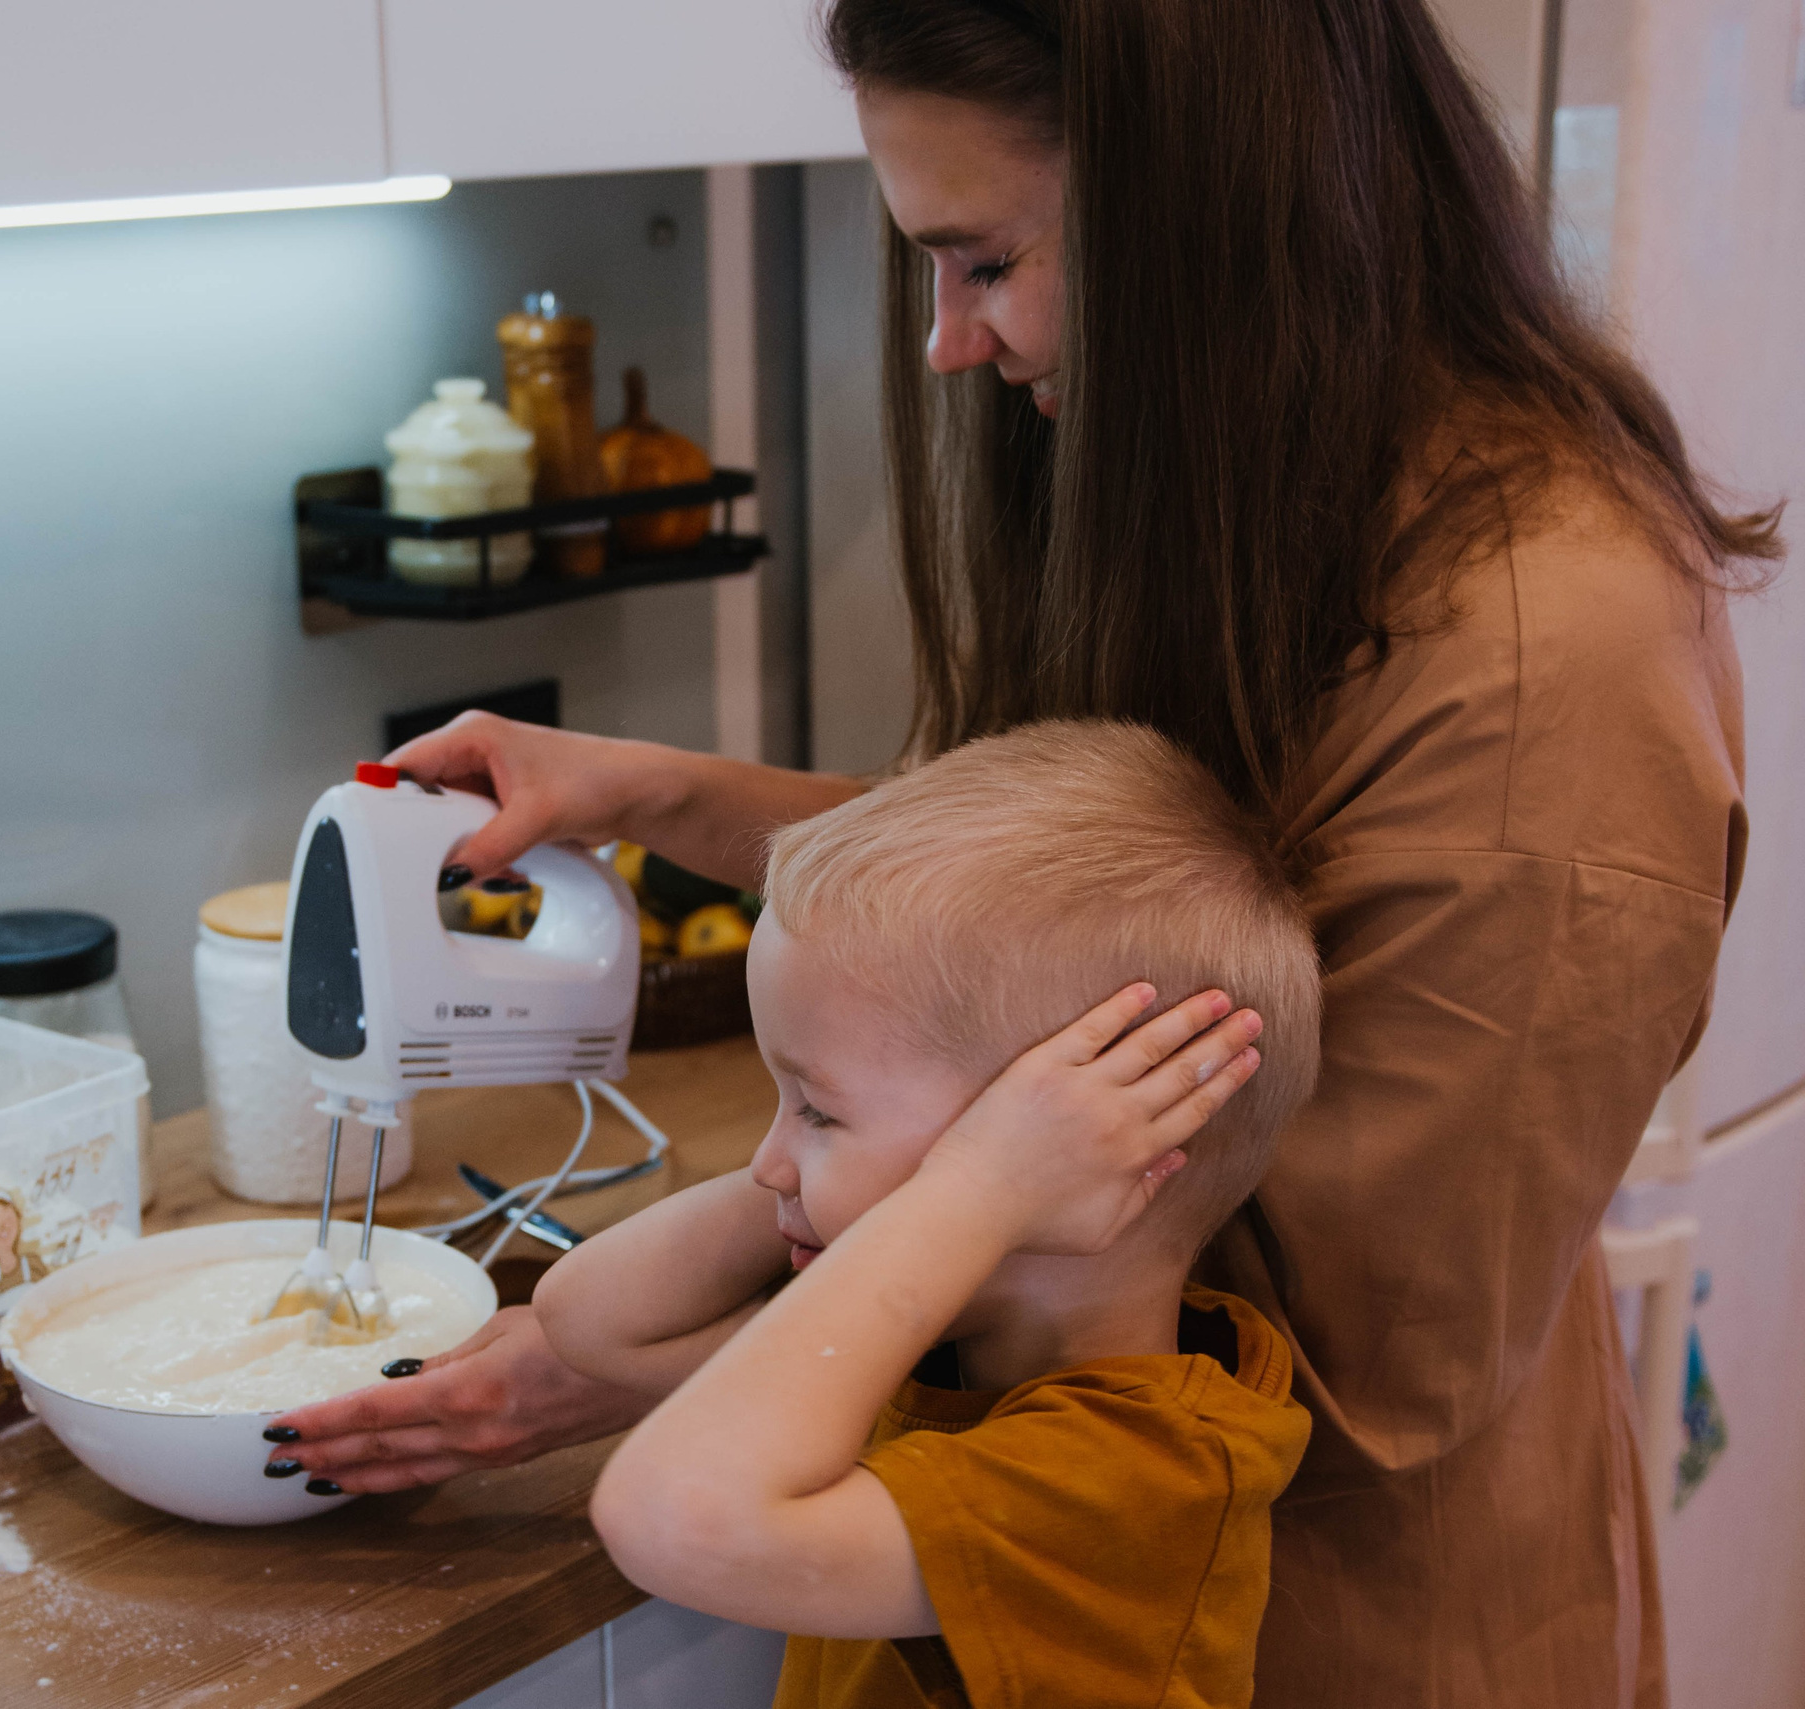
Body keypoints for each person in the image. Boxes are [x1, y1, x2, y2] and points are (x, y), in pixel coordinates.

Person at [268, 2, 1777, 1700]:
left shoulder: (1546, 648)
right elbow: (1053, 927)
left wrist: (690, 1350)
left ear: (1212, 206)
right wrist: (667, 795)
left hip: (1345, 1622)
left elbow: (1338, 1347)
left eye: (982, 259)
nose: (945, 342)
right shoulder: (1247, 467)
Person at [542, 723, 1321, 1708]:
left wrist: (975, 1188)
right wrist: (917, 1179)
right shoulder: (930, 1341)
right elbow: (590, 1317)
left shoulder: (1137, 1472)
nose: (766, 1158)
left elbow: (674, 1516)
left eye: (820, 1108)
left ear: (1080, 1152)